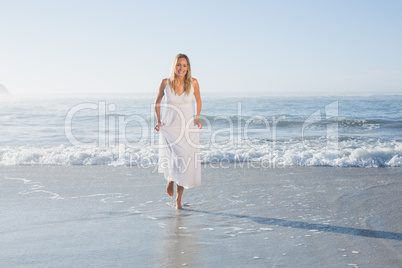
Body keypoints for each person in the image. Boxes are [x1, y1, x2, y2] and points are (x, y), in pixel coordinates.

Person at [154, 53, 203, 209]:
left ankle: (178, 199)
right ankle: (170, 179)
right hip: (170, 127)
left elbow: (198, 100)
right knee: (175, 158)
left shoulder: (193, 83)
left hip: (187, 127)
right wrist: (158, 121)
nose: (181, 68)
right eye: (178, 65)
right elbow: (157, 102)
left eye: (184, 65)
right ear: (174, 66)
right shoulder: (165, 83)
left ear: (188, 68)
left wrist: (197, 117)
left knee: (184, 163)